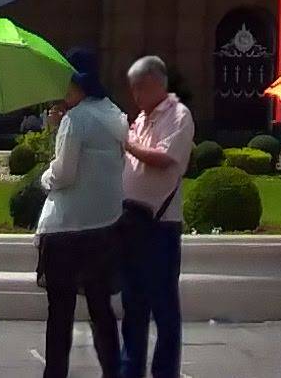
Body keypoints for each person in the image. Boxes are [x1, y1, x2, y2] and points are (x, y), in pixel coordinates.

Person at [36, 49, 128, 378]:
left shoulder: (76, 120)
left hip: (67, 227)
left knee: (60, 311)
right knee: (100, 307)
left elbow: (64, 174)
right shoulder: (115, 114)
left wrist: (44, 177)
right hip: (104, 223)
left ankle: (55, 373)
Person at [118, 55, 193, 378]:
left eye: (141, 88)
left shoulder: (178, 116)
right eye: (133, 89)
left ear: (159, 84)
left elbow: (165, 159)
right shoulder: (140, 119)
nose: (136, 96)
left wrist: (129, 146)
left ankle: (165, 371)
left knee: (163, 306)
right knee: (132, 303)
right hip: (130, 220)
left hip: (160, 225)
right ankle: (129, 368)